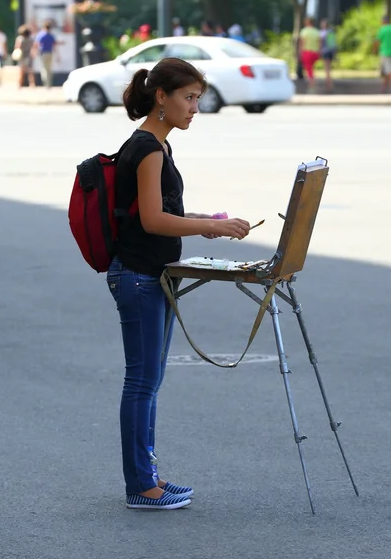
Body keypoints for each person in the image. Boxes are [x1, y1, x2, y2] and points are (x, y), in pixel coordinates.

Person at [108, 57, 251, 510]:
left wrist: (207, 220)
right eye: (188, 98)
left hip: (152, 275)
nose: (194, 109)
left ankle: (147, 475)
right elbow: (151, 221)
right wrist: (206, 229)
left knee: (150, 381)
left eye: (197, 99)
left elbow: (161, 209)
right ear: (161, 97)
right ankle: (140, 486)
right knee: (142, 382)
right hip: (138, 276)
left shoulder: (161, 146)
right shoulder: (148, 148)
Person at [374, 15, 391, 93]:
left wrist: (375, 51)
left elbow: (377, 42)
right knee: (387, 71)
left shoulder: (382, 30)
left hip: (385, 52)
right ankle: (384, 89)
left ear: (384, 21)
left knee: (389, 71)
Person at [34, 21, 59, 88]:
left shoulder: (41, 35)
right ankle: (49, 83)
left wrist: (35, 52)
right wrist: (57, 55)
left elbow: (37, 44)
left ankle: (46, 84)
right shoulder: (51, 35)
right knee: (49, 69)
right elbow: (54, 45)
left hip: (43, 53)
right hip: (49, 53)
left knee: (44, 69)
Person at [298, 17, 321, 92]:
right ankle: (311, 84)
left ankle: (312, 85)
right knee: (311, 68)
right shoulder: (316, 31)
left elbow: (302, 43)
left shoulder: (304, 31)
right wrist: (319, 51)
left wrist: (300, 52)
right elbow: (319, 43)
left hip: (307, 52)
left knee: (308, 69)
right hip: (315, 52)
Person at [319, 19, 337, 92]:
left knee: (327, 70)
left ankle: (328, 86)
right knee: (328, 69)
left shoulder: (322, 33)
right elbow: (333, 44)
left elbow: (319, 44)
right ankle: (330, 85)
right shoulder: (331, 32)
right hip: (330, 52)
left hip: (325, 52)